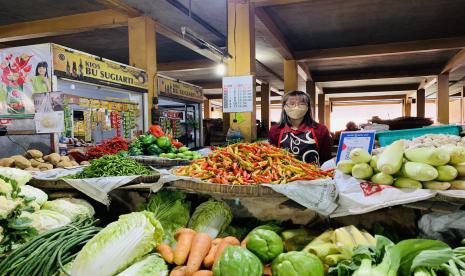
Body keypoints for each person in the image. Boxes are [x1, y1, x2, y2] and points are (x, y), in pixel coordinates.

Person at [269, 90, 332, 165]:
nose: (296, 107)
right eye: (292, 104)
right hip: (283, 175)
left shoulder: (321, 129)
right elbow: (272, 157)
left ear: (308, 107)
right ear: (284, 107)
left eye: (301, 104)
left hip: (315, 175)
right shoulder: (275, 130)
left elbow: (326, 159)